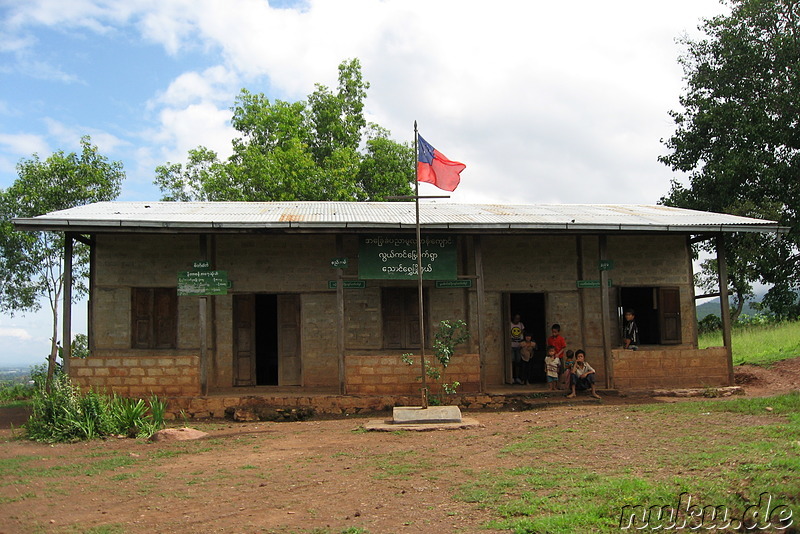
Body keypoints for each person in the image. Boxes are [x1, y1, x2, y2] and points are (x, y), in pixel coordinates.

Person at [510, 314, 525, 384]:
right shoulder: (510, 324)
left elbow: (522, 333)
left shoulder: (521, 325)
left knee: (518, 362)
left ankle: (517, 377)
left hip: (518, 346)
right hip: (511, 346)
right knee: (512, 361)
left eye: (518, 318)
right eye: (516, 318)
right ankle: (511, 377)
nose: (517, 320)